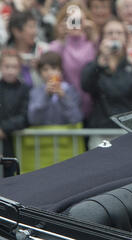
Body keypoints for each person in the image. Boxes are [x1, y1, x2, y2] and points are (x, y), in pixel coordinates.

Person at [81, 18, 132, 148]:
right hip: (102, 131)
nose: (114, 36)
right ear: (102, 39)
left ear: (125, 38)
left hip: (130, 129)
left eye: (118, 33)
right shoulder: (96, 65)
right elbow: (85, 85)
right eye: (109, 33)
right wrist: (99, 64)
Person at [48, 0, 98, 119]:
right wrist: (62, 37)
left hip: (93, 108)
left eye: (79, 20)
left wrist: (94, 33)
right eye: (70, 19)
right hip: (67, 108)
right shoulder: (56, 47)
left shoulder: (93, 44)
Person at [28, 51, 82, 125]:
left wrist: (63, 97)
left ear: (60, 71)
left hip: (66, 136)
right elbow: (33, 120)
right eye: (45, 69)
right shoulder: (35, 92)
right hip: (43, 136)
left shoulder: (70, 90)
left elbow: (76, 118)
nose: (49, 73)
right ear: (40, 72)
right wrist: (46, 96)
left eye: (54, 68)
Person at [0, 48, 30, 177]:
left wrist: (3, 128)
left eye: (14, 67)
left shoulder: (25, 89)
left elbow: (25, 116)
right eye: (7, 66)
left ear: (19, 69)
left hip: (16, 142)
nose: (10, 70)